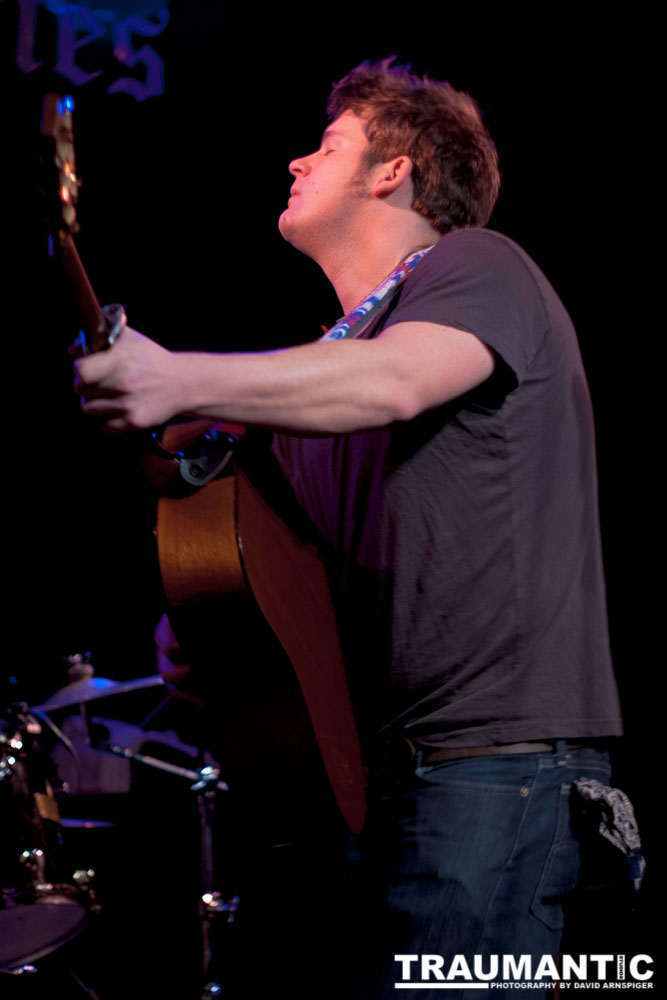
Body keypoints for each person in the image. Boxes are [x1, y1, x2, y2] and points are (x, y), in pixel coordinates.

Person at [73, 59, 623, 997]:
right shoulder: (323, 381)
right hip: (379, 782)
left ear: (393, 170)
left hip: (495, 767)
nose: (296, 161)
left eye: (327, 146)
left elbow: (398, 379)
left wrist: (179, 376)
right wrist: (210, 627)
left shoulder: (474, 264)